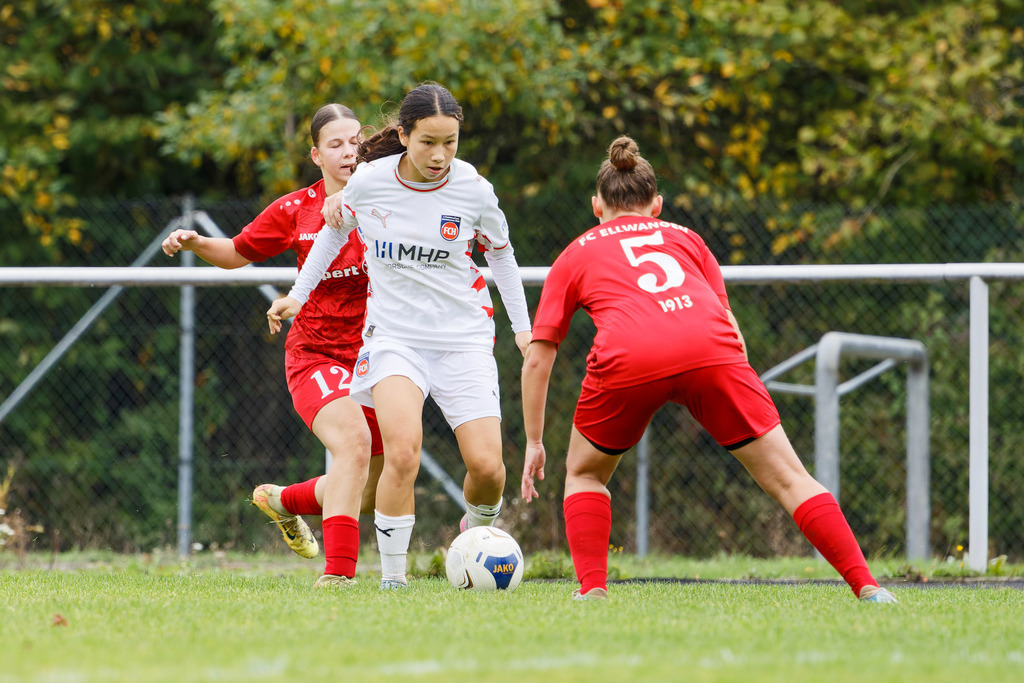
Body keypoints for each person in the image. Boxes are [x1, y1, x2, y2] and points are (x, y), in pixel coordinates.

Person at [520, 135, 898, 604]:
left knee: (584, 474)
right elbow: (730, 329)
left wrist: (535, 442)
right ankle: (869, 588)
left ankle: (593, 592)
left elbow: (539, 356)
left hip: (629, 356)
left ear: (596, 205)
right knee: (790, 477)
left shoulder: (575, 252)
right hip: (712, 351)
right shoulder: (686, 237)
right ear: (656, 205)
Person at [268, 82, 532, 590]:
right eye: (428, 142)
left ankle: (472, 542)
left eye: (450, 143)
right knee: (402, 451)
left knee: (488, 468)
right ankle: (394, 581)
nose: (440, 155)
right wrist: (298, 296)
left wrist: (523, 329)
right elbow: (333, 232)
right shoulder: (370, 182)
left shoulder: (474, 189)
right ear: (405, 136)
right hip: (394, 338)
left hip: (463, 338)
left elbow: (501, 253)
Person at [162, 103, 384, 588]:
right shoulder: (295, 209)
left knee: (367, 489)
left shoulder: (388, 200)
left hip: (377, 357)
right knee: (354, 445)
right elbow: (237, 252)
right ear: (316, 155)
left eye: (355, 142)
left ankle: (281, 500)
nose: (349, 152)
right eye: (336, 144)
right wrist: (197, 242)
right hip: (315, 355)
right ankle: (340, 577)